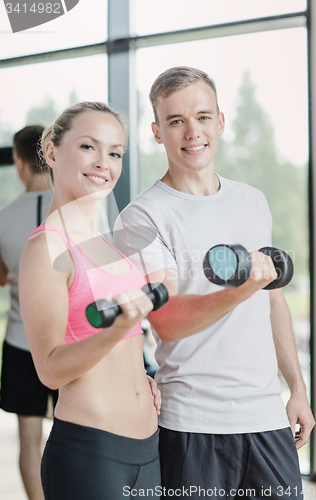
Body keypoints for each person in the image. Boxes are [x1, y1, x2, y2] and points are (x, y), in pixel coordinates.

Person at [114, 67, 315, 499]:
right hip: (193, 424)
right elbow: (165, 320)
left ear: (220, 121)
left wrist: (297, 389)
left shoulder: (251, 200)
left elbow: (272, 298)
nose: (193, 132)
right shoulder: (142, 217)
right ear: (156, 132)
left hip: (266, 418)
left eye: (203, 117)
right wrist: (241, 289)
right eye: (176, 121)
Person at [19, 102, 162, 500]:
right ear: (51, 152)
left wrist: (145, 379)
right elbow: (49, 369)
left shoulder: (106, 246)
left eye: (115, 152)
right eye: (88, 147)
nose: (104, 163)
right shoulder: (47, 245)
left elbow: (126, 346)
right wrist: (114, 330)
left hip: (148, 447)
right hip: (93, 454)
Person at [0, 125, 56, 500]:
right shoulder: (74, 209)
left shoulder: (3, 218)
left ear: (19, 163)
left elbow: (2, 278)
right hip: (68, 341)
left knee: (30, 439)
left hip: (22, 343)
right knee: (76, 431)